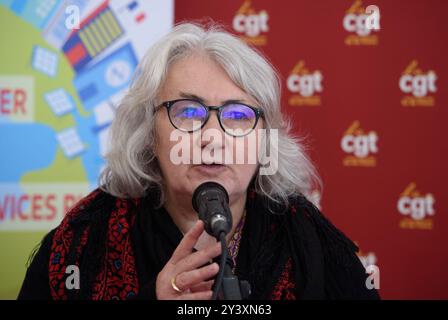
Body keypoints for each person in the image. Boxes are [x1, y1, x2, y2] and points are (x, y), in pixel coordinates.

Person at [18, 22, 379, 300]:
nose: (211, 136)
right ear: (149, 133)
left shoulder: (310, 243)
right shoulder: (82, 241)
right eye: (188, 111)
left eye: (237, 116)